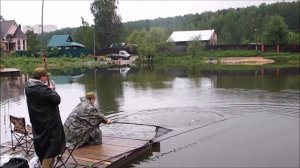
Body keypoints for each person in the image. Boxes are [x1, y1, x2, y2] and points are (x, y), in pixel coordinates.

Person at [25, 67, 66, 168]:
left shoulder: (28, 87)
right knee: (52, 147)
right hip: (49, 123)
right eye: (46, 76)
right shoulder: (43, 89)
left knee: (42, 145)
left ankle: (43, 162)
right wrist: (51, 89)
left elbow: (42, 100)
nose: (47, 78)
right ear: (42, 77)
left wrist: (47, 88)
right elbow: (57, 99)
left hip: (37, 121)